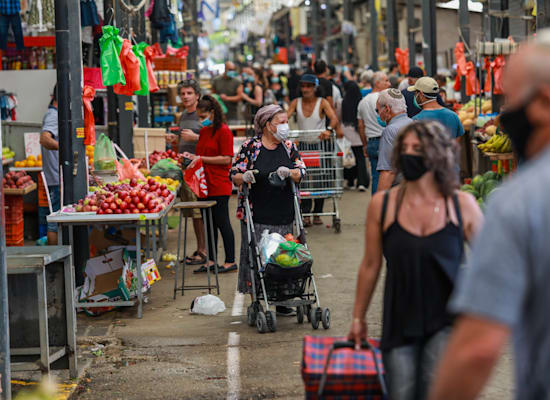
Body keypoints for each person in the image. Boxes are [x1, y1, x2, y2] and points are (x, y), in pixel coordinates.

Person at [428, 29, 550, 400]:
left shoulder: (523, 200)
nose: (504, 116)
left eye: (510, 101)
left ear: (543, 102)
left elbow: (476, 349)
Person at [348, 120, 483, 400]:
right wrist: (358, 317)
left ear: (436, 154)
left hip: (448, 321)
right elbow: (371, 265)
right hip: (399, 320)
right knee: (401, 392)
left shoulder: (461, 205)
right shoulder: (382, 205)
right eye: (404, 148)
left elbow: (490, 263)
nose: (409, 154)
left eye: (418, 148)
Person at [231, 105, 306, 316]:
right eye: (280, 122)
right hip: (257, 214)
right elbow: (234, 173)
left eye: (285, 122)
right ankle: (258, 299)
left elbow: (301, 171)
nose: (284, 126)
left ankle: (284, 299)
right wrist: (243, 177)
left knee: (285, 257)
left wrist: (290, 172)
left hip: (284, 213)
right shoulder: (250, 147)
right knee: (258, 258)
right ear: (266, 125)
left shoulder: (289, 147)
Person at [184, 95, 236, 273]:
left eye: (203, 117)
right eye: (198, 117)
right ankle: (211, 260)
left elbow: (226, 159)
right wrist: (191, 159)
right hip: (204, 185)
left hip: (219, 184)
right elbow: (202, 155)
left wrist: (201, 158)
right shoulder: (205, 132)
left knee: (222, 221)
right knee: (209, 223)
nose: (201, 121)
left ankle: (230, 261)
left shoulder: (224, 131)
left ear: (212, 113)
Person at [287, 73, 343, 227]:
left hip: (320, 145)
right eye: (303, 86)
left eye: (309, 86)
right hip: (303, 145)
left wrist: (328, 129)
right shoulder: (295, 103)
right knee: (303, 179)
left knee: (321, 179)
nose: (305, 89)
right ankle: (306, 213)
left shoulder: (322, 102)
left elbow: (334, 118)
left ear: (315, 88)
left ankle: (317, 212)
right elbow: (284, 118)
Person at [166, 79, 207, 265]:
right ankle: (200, 249)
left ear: (197, 95)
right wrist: (174, 140)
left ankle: (204, 251)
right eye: (182, 93)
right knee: (192, 212)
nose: (185, 96)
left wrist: (196, 137)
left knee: (198, 213)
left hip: (199, 170)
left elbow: (213, 140)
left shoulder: (203, 115)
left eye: (189, 93)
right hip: (186, 168)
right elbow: (183, 140)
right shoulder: (183, 114)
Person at [357, 71, 391, 193]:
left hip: (372, 142)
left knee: (376, 177)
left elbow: (361, 125)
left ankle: (376, 204)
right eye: (386, 81)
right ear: (377, 83)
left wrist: (364, 144)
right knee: (390, 176)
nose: (389, 83)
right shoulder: (386, 99)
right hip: (387, 141)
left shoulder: (363, 102)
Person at [376, 88, 413, 192]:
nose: (378, 114)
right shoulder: (415, 124)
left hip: (400, 191)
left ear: (387, 109)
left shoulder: (390, 131)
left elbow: (388, 171)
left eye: (377, 110)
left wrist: (380, 202)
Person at [337, 80, 369, 191]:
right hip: (358, 133)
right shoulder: (361, 102)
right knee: (360, 159)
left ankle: (350, 181)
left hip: (345, 134)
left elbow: (338, 118)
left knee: (348, 158)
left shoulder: (341, 102)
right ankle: (361, 182)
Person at [39, 84, 60, 245]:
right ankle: (58, 264)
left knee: (57, 221)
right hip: (57, 178)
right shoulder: (53, 115)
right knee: (55, 223)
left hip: (57, 177)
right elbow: (44, 138)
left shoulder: (54, 114)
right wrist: (65, 148)